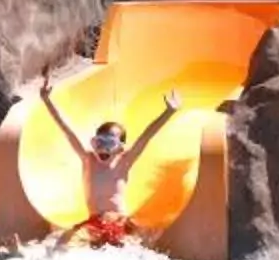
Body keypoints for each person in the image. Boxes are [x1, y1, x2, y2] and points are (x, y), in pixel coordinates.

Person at [41, 77, 186, 248]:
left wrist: (169, 112)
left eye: (110, 144)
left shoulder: (125, 161)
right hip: (94, 223)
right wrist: (47, 101)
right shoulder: (88, 159)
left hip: (119, 220)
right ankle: (31, 255)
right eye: (99, 143)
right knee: (64, 244)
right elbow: (66, 130)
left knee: (141, 242)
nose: (103, 149)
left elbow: (147, 136)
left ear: (121, 148)